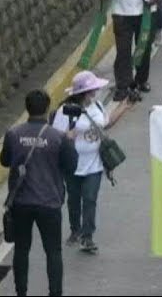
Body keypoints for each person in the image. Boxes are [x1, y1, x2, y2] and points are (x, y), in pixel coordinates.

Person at [1, 89, 76, 297]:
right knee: (53, 251)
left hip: (21, 201)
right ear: (48, 109)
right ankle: (55, 292)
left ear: (27, 108)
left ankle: (21, 292)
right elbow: (71, 166)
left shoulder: (13, 134)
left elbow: (5, 161)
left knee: (22, 249)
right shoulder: (59, 137)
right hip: (49, 201)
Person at [48, 70, 109, 255]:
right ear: (83, 93)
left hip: (94, 164)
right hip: (73, 165)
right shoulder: (64, 111)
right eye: (92, 90)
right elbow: (55, 135)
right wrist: (68, 135)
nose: (95, 93)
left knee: (90, 199)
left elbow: (105, 124)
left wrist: (125, 106)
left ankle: (87, 236)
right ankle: (75, 229)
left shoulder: (97, 106)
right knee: (74, 200)